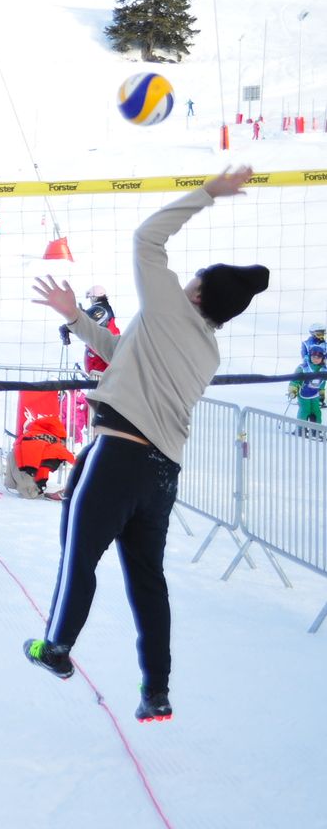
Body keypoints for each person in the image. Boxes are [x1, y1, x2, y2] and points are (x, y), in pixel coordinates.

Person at [24, 166, 266, 724]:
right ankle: (156, 690)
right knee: (147, 581)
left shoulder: (168, 309)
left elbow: (146, 237)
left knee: (78, 556)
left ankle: (56, 649)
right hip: (160, 473)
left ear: (198, 291)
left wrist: (208, 193)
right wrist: (77, 319)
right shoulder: (206, 350)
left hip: (119, 455)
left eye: (190, 281)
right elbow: (124, 356)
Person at [291, 346, 326, 429]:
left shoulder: (323, 369)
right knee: (305, 410)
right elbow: (295, 380)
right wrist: (293, 389)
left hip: (315, 394)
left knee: (316, 411)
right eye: (314, 357)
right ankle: (300, 428)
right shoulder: (304, 368)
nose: (316, 359)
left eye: (319, 357)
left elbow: (322, 383)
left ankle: (316, 429)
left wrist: (321, 394)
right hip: (303, 393)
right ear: (310, 356)